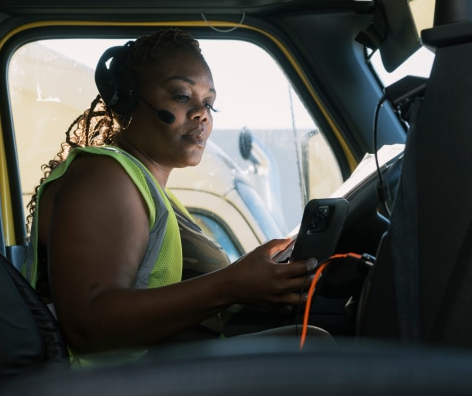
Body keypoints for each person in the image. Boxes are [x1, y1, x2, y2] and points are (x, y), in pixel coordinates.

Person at [22, 27, 327, 365]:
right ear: (126, 96)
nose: (202, 114)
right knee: (313, 347)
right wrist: (231, 285)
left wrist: (254, 280)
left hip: (152, 377)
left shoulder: (145, 188)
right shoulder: (106, 178)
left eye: (209, 103)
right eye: (182, 96)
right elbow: (90, 326)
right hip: (111, 395)